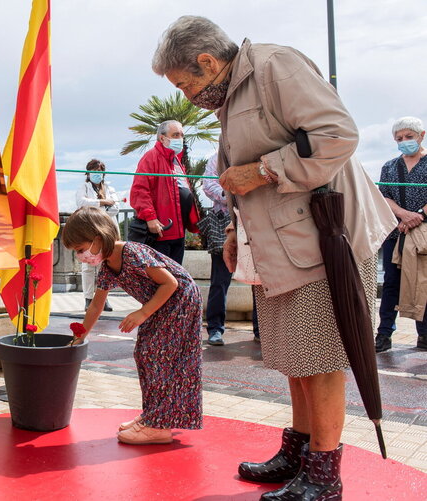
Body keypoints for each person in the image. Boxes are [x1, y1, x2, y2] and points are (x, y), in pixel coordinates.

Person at [152, 16, 395, 500]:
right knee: (295, 356)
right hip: (283, 244)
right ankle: (300, 451)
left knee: (321, 359)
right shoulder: (234, 92)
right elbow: (237, 173)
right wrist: (235, 229)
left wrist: (263, 170)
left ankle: (324, 474)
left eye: (184, 84)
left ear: (207, 63)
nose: (186, 96)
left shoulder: (275, 66)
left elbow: (336, 134)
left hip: (324, 242)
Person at [61, 206, 202, 445]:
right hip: (162, 304)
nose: (81, 256)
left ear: (98, 238)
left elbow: (171, 284)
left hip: (180, 300)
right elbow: (96, 306)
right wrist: (80, 336)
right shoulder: (108, 267)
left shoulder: (133, 253)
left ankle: (158, 425)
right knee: (145, 355)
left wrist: (143, 313)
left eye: (81, 249)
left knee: (157, 356)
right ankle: (153, 415)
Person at [375, 117, 427, 353]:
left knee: (423, 282)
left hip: (423, 234)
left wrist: (419, 216)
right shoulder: (389, 166)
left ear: (421, 136)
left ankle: (424, 334)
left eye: (409, 137)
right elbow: (384, 196)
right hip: (396, 233)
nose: (404, 141)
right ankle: (384, 334)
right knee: (391, 284)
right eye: (399, 139)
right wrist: (404, 215)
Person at [201, 153, 260, 346]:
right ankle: (215, 329)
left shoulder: (253, 153)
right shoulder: (216, 158)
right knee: (219, 280)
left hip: (252, 220)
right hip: (223, 221)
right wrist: (233, 195)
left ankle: (260, 330)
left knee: (258, 278)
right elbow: (208, 185)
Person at [129, 120, 200, 264]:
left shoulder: (176, 160)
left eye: (181, 135)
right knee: (161, 275)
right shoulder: (151, 157)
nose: (180, 139)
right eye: (175, 135)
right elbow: (140, 190)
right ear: (162, 138)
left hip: (178, 231)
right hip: (161, 232)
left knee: (176, 273)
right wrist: (150, 217)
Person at [75, 159, 120, 311]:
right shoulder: (83, 187)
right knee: (88, 266)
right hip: (89, 230)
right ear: (88, 173)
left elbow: (116, 207)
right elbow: (81, 203)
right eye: (94, 171)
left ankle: (103, 299)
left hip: (106, 230)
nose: (97, 174)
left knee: (105, 266)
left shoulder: (109, 188)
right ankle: (88, 299)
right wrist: (103, 202)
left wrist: (96, 205)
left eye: (99, 171)